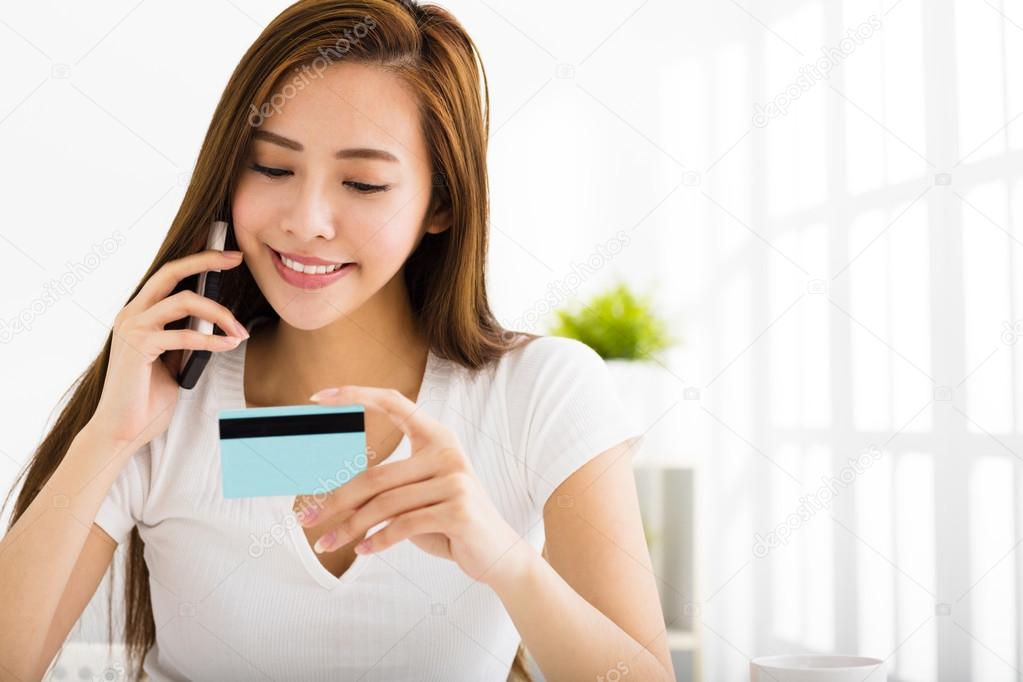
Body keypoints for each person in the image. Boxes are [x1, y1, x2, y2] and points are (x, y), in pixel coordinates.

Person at [0, 1, 674, 680]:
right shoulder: (162, 398)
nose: (306, 220)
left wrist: (502, 557)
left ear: (442, 202)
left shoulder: (541, 392)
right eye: (270, 168)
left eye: (362, 183)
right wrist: (106, 440)